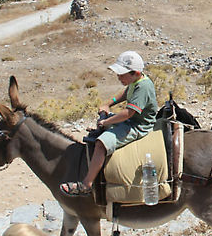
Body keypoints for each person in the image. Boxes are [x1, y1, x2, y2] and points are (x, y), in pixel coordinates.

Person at [60, 50, 157, 196]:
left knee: (101, 144)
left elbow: (129, 113)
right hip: (131, 120)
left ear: (135, 73)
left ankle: (86, 184)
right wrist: (109, 104)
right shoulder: (136, 81)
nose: (118, 77)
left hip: (138, 126)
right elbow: (126, 93)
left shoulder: (143, 87)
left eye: (122, 74)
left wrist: (106, 121)